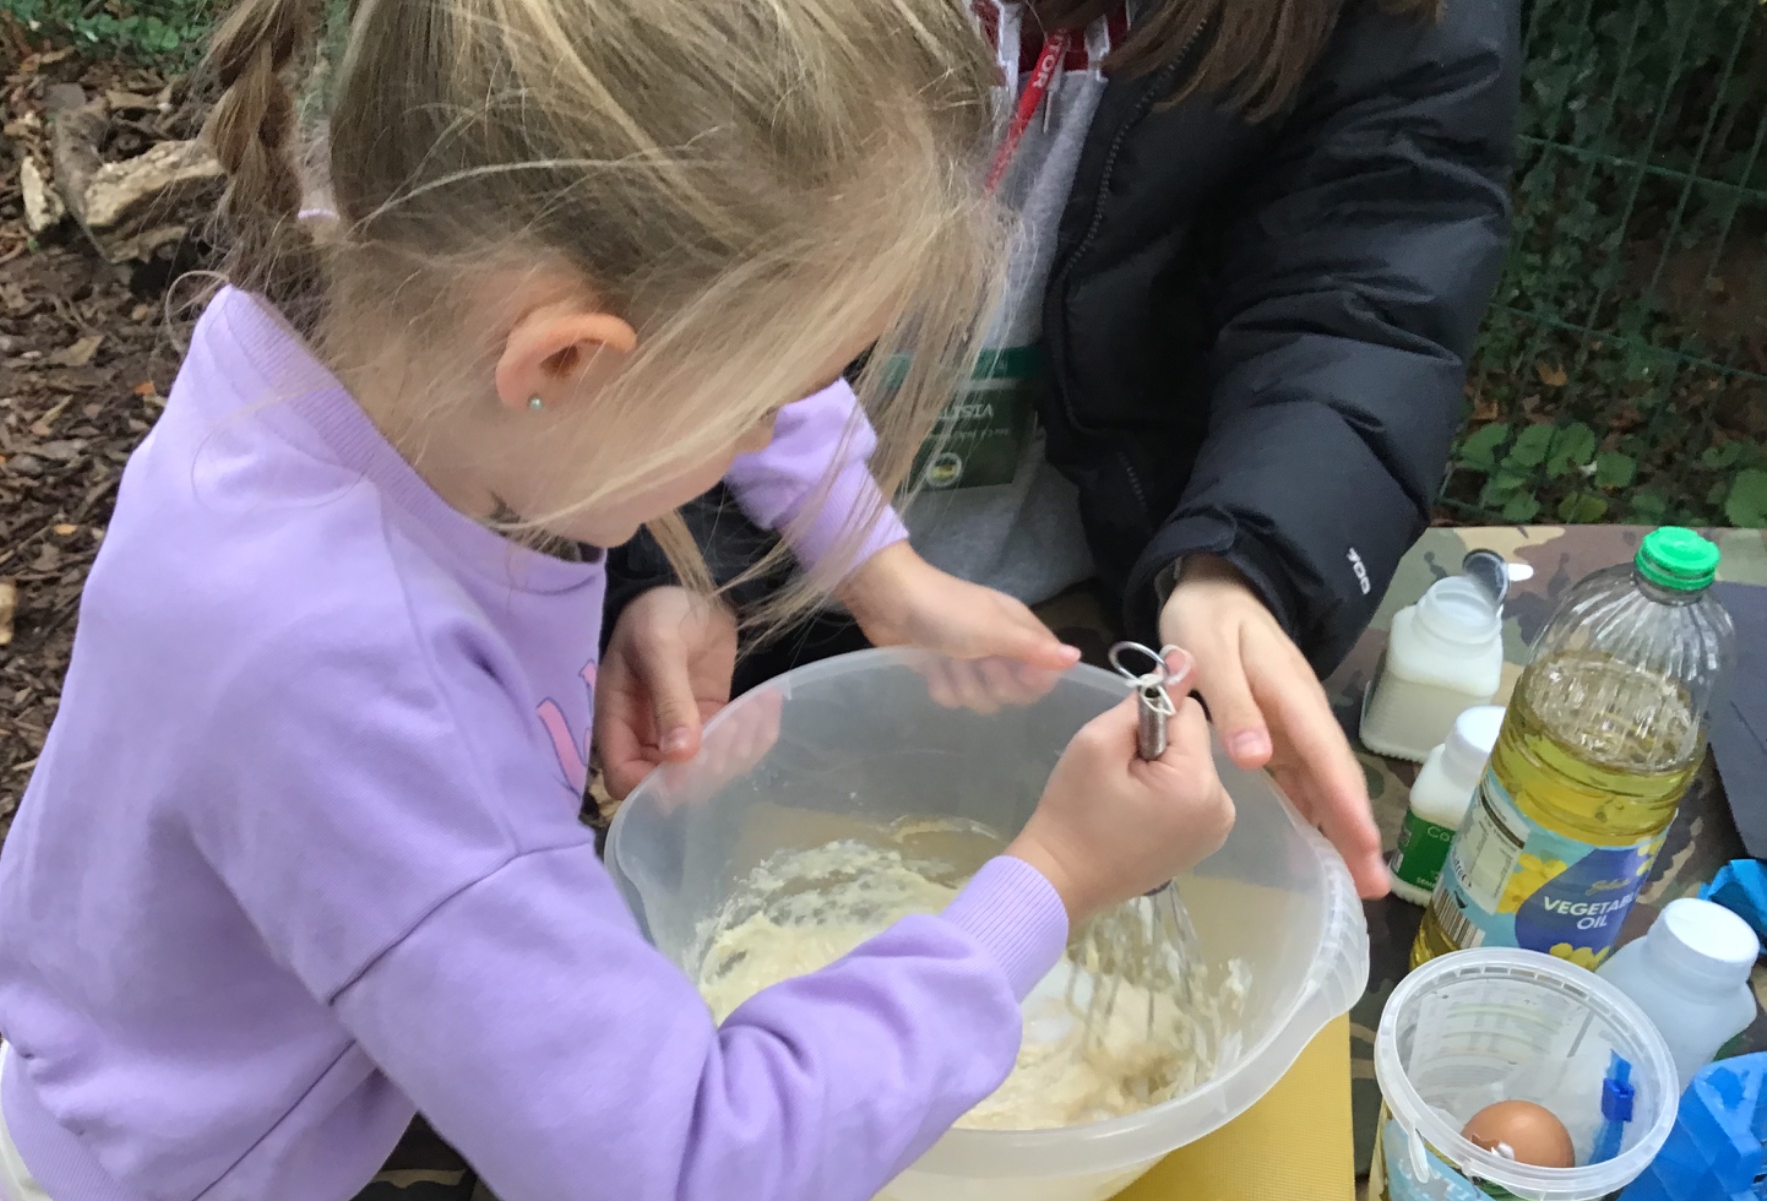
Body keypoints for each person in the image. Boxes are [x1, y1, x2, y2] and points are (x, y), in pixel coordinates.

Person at [0, 0, 1236, 1201]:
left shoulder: (373, 286)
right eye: (757, 410)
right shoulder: (346, 673)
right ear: (565, 362)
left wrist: (868, 577)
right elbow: (673, 1187)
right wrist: (1050, 881)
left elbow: (689, 362)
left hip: (221, 1031)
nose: (765, 436)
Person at [598, 0, 1521, 900]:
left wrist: (1248, 561)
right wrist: (667, 553)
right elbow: (659, 276)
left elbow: (1367, 290)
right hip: (740, 603)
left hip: (1095, 597)